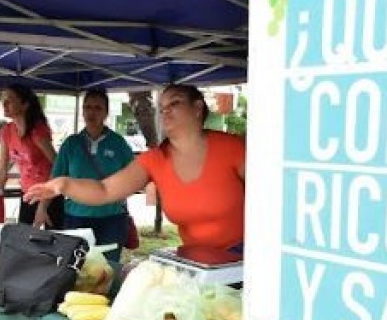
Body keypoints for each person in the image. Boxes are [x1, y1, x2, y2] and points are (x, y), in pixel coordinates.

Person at [26, 84, 245, 253]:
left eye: (175, 103)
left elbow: (272, 199)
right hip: (196, 261)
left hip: (245, 256)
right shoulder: (154, 160)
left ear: (197, 108)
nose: (166, 112)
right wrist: (64, 185)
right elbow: (105, 190)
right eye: (162, 108)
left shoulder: (233, 148)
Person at [52, 88, 135, 262]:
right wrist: (41, 209)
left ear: (106, 113)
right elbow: (55, 180)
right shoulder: (71, 144)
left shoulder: (118, 143)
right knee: (76, 268)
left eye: (98, 108)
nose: (92, 112)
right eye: (88, 107)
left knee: (109, 268)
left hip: (111, 219)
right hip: (76, 219)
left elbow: (134, 176)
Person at [0, 83, 63, 229]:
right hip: (28, 194)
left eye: (10, 100)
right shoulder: (6, 131)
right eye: (3, 100)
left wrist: (43, 206)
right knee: (24, 242)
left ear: (25, 105)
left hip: (49, 196)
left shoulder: (37, 131)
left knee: (53, 244)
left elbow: (58, 166)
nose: (4, 104)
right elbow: (2, 170)